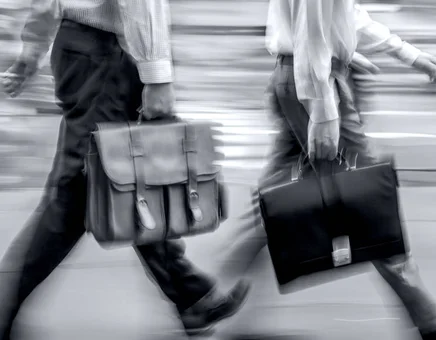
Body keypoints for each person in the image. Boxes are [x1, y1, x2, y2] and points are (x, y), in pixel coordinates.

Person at [216, 1, 436, 339]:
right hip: (314, 84)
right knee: (366, 198)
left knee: (279, 196)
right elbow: (312, 31)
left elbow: (342, 15)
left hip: (302, 78)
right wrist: (324, 113)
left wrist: (404, 52)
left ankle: (214, 293)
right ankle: (431, 319)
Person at [0, 0, 250, 338]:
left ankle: (190, 298)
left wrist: (35, 40)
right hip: (105, 53)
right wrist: (157, 74)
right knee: (79, 193)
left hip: (83, 48)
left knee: (133, 180)